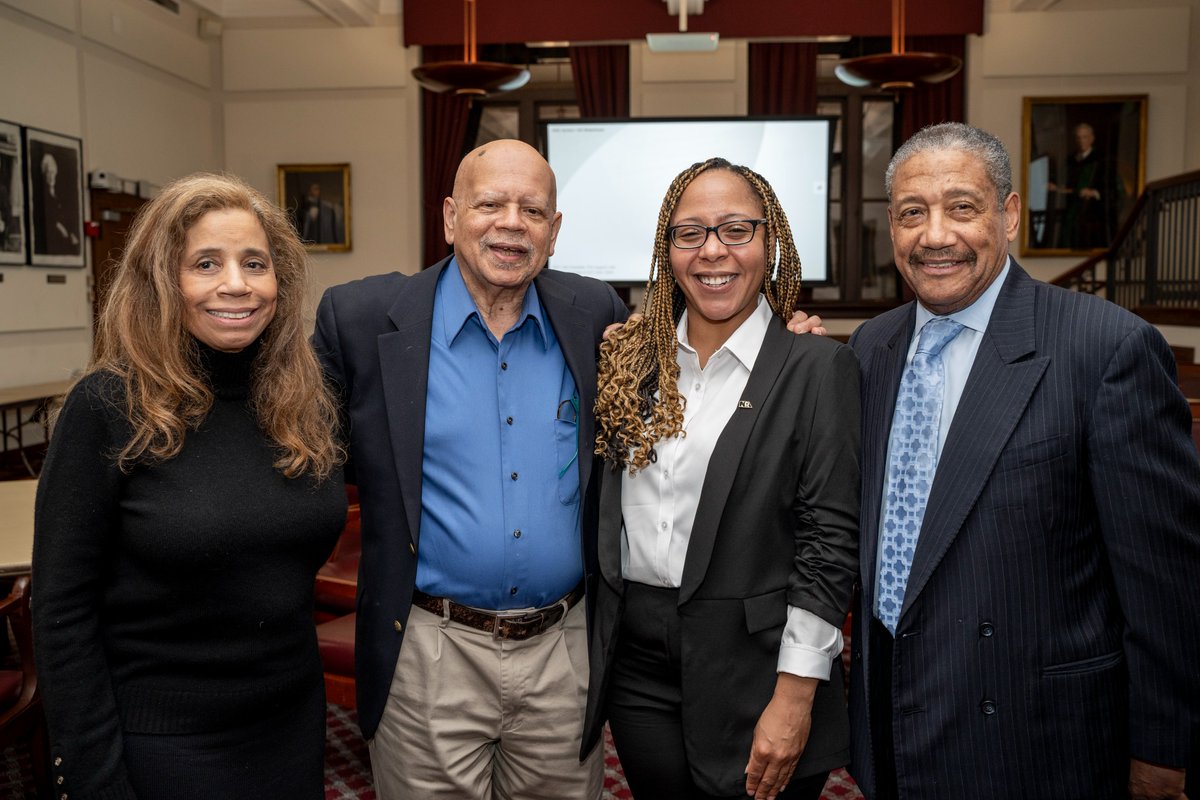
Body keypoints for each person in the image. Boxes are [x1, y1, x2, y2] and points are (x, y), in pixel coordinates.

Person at [800, 122, 1200, 799]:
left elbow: (1166, 581)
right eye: (911, 214)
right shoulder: (870, 348)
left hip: (1034, 736)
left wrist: (1165, 747)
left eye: (962, 207)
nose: (934, 236)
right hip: (895, 714)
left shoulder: (1104, 349)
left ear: (1008, 215)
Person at [312, 139, 628, 799]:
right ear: (451, 218)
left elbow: (674, 403)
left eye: (533, 210)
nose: (511, 223)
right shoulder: (365, 321)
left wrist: (784, 342)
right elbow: (287, 443)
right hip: (429, 649)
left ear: (554, 231)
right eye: (490, 204)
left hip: (562, 649)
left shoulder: (595, 314)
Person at [32, 173, 347, 799]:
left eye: (254, 263)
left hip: (292, 725)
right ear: (161, 282)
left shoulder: (303, 402)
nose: (236, 283)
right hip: (163, 744)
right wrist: (95, 775)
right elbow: (61, 611)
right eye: (206, 263)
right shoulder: (108, 405)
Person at [583, 157, 860, 800]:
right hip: (639, 660)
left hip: (761, 662)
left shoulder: (816, 367)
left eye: (737, 229)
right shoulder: (630, 361)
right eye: (691, 233)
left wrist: (796, 693)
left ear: (771, 244)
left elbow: (829, 544)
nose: (714, 251)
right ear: (667, 250)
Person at [1049, 122, 1118, 249]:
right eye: (1078, 137)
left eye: (1085, 137)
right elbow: (1068, 185)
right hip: (1073, 206)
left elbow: (1111, 188)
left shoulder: (1101, 160)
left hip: (1093, 210)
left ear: (1092, 138)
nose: (1081, 141)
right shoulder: (1071, 161)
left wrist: (1094, 193)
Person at [33, 151, 81, 256]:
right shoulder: (42, 194)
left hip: (65, 236)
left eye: (53, 172)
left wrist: (71, 233)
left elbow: (67, 215)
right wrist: (63, 230)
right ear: (44, 174)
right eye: (48, 172)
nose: (51, 176)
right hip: (54, 237)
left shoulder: (59, 192)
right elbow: (50, 219)